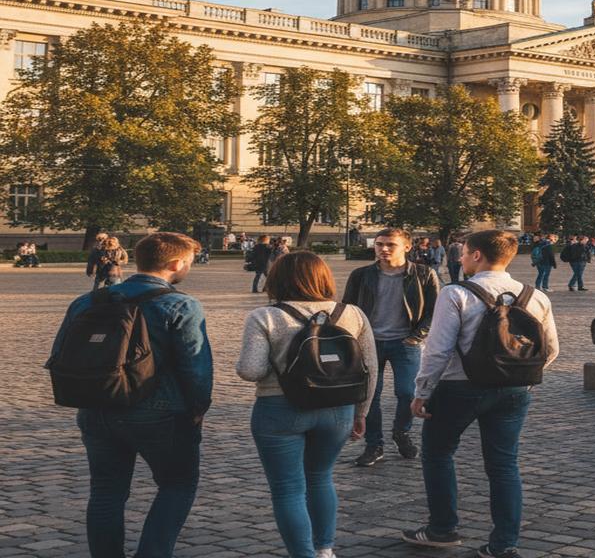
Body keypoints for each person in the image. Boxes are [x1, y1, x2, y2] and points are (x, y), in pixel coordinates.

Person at [51, 232, 210, 558]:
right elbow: (196, 367)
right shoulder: (181, 304)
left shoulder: (86, 301)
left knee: (106, 491)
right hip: (161, 411)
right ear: (176, 264)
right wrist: (198, 408)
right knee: (177, 484)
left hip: (97, 406)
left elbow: (60, 354)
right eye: (189, 263)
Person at [403, 230, 559, 558]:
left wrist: (422, 391)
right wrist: (520, 378)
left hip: (459, 388)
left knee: (438, 454)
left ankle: (442, 528)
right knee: (504, 465)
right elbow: (550, 350)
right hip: (514, 392)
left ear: (477, 255)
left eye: (463, 253)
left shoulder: (456, 292)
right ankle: (504, 544)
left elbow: (438, 349)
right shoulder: (536, 296)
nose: (460, 258)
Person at [236, 251, 379, 558]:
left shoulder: (265, 316)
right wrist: (362, 412)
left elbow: (250, 370)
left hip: (280, 408)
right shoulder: (352, 313)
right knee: (321, 478)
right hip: (338, 410)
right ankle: (325, 549)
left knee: (288, 488)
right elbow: (370, 368)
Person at [342, 228, 439, 467]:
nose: (383, 249)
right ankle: (374, 444)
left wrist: (416, 337)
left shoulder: (424, 274)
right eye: (379, 244)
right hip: (369, 342)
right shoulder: (361, 275)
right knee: (370, 395)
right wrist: (353, 340)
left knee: (407, 392)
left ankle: (401, 432)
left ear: (407, 247)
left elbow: (434, 311)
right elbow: (348, 309)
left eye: (390, 245)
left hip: (406, 342)